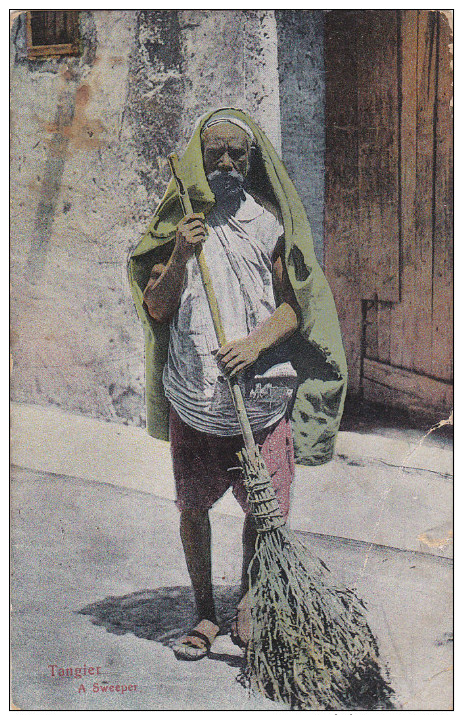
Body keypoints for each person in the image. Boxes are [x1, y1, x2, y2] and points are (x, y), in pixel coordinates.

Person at [128, 108, 347, 660]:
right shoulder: (179, 224)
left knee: (262, 506)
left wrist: (254, 343)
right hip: (196, 394)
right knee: (194, 506)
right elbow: (156, 307)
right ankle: (204, 611)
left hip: (260, 394)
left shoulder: (270, 224)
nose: (225, 162)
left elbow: (297, 307)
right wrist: (180, 252)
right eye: (215, 153)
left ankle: (248, 603)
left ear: (252, 162)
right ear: (200, 161)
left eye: (237, 153)